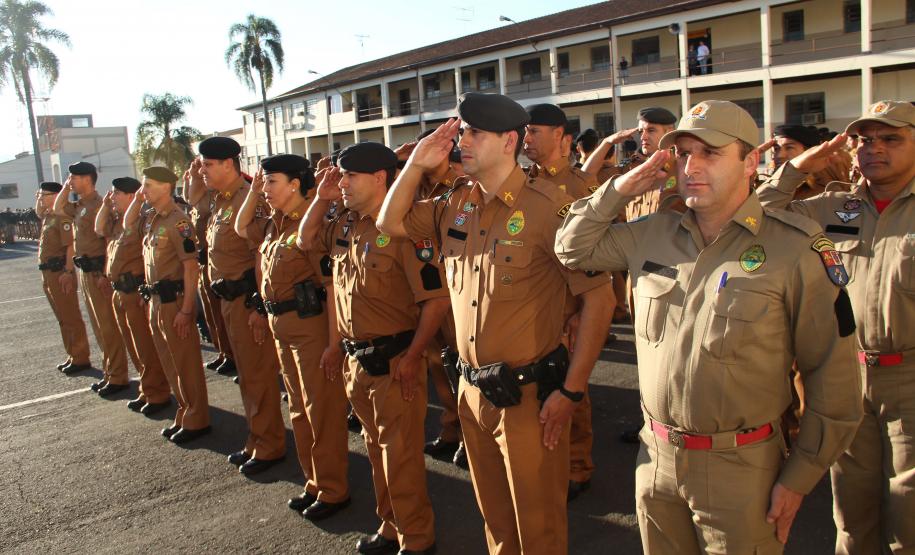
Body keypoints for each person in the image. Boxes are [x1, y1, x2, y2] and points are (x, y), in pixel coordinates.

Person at [555, 100, 862, 552]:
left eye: (710, 153)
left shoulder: (795, 247)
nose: (691, 166)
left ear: (750, 162)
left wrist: (799, 479)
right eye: (683, 154)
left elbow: (834, 380)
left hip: (741, 469)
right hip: (655, 460)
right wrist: (617, 189)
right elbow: (571, 248)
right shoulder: (652, 233)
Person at [378, 93, 613, 554]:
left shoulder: (551, 208)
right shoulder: (456, 204)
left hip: (527, 398)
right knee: (497, 523)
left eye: (474, 133)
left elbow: (599, 299)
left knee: (538, 529)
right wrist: (415, 165)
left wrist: (572, 391)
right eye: (462, 132)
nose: (461, 142)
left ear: (508, 142)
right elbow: (390, 222)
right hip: (471, 391)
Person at [756, 99, 915, 554]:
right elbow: (755, 216)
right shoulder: (834, 207)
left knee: (908, 518)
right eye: (864, 140)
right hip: (848, 378)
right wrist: (796, 168)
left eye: (891, 138)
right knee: (851, 514)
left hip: (909, 380)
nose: (874, 148)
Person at [298, 142, 447, 555]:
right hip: (356, 360)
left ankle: (416, 538)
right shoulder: (346, 224)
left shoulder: (404, 229)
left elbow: (436, 301)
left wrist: (414, 356)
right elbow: (306, 239)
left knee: (400, 457)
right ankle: (391, 526)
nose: (342, 183)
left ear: (380, 178)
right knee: (376, 450)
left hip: (395, 361)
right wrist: (321, 200)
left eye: (350, 176)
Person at [235, 154, 351, 520]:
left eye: (271, 182)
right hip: (281, 326)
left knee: (322, 410)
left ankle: (333, 489)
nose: (265, 188)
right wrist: (254, 192)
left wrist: (333, 344)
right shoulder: (274, 224)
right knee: (299, 409)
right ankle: (314, 481)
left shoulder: (311, 226)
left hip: (310, 328)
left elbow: (331, 289)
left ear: (295, 184)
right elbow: (242, 228)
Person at [522, 102, 609, 501]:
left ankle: (578, 464)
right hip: (531, 309)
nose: (526, 139)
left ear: (561, 136)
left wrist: (580, 311)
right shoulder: (521, 183)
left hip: (568, 309)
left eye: (534, 131)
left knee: (574, 390)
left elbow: (600, 256)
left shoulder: (580, 187)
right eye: (525, 132)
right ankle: (549, 460)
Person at [189, 136, 286, 475]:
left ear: (228, 164)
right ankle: (257, 438)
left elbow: (263, 258)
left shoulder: (251, 200)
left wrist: (259, 307)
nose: (202, 171)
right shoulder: (221, 200)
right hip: (229, 302)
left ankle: (270, 445)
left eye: (207, 165)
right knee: (247, 376)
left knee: (258, 377)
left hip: (247, 302)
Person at [126, 166, 211, 443]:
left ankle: (197, 418)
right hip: (156, 301)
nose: (144, 190)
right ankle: (184, 413)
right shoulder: (152, 218)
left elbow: (190, 268)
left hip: (174, 303)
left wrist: (187, 310)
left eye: (148, 185)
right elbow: (128, 224)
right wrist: (138, 200)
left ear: (166, 187)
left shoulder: (179, 222)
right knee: (170, 363)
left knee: (186, 363)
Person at [95, 177, 172, 408]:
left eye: (116, 193)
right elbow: (98, 228)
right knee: (134, 346)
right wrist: (105, 206)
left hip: (135, 292)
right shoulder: (117, 221)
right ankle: (146, 390)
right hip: (119, 291)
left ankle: (157, 393)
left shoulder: (142, 220)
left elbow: (151, 257)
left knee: (145, 347)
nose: (112, 197)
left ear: (131, 196)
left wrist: (145, 289)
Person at [52, 162, 128, 392]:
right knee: (98, 327)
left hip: (97, 272)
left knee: (108, 326)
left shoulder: (98, 205)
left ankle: (118, 376)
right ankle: (109, 372)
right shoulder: (80, 205)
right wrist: (66, 188)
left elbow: (107, 241)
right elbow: (57, 208)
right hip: (85, 271)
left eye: (74, 178)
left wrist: (105, 273)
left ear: (87, 179)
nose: (71, 181)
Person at [35, 181, 91, 374]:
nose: (40, 198)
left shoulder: (62, 217)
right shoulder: (49, 216)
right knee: (62, 317)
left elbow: (70, 246)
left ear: (55, 196)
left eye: (44, 195)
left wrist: (68, 272)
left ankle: (81, 357)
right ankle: (73, 354)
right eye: (39, 195)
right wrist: (39, 199)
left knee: (70, 316)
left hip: (60, 271)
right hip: (48, 273)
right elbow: (38, 211)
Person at [185, 167, 236, 377]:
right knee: (212, 313)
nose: (201, 171)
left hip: (220, 263)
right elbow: (190, 198)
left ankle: (232, 354)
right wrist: (193, 176)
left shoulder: (216, 196)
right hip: (205, 262)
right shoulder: (203, 195)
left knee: (223, 314)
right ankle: (223, 351)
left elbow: (194, 199)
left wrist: (197, 178)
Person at [756, 125, 852, 200]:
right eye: (776, 149)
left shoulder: (824, 192)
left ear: (808, 152)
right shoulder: (768, 183)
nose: (779, 155)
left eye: (789, 148)